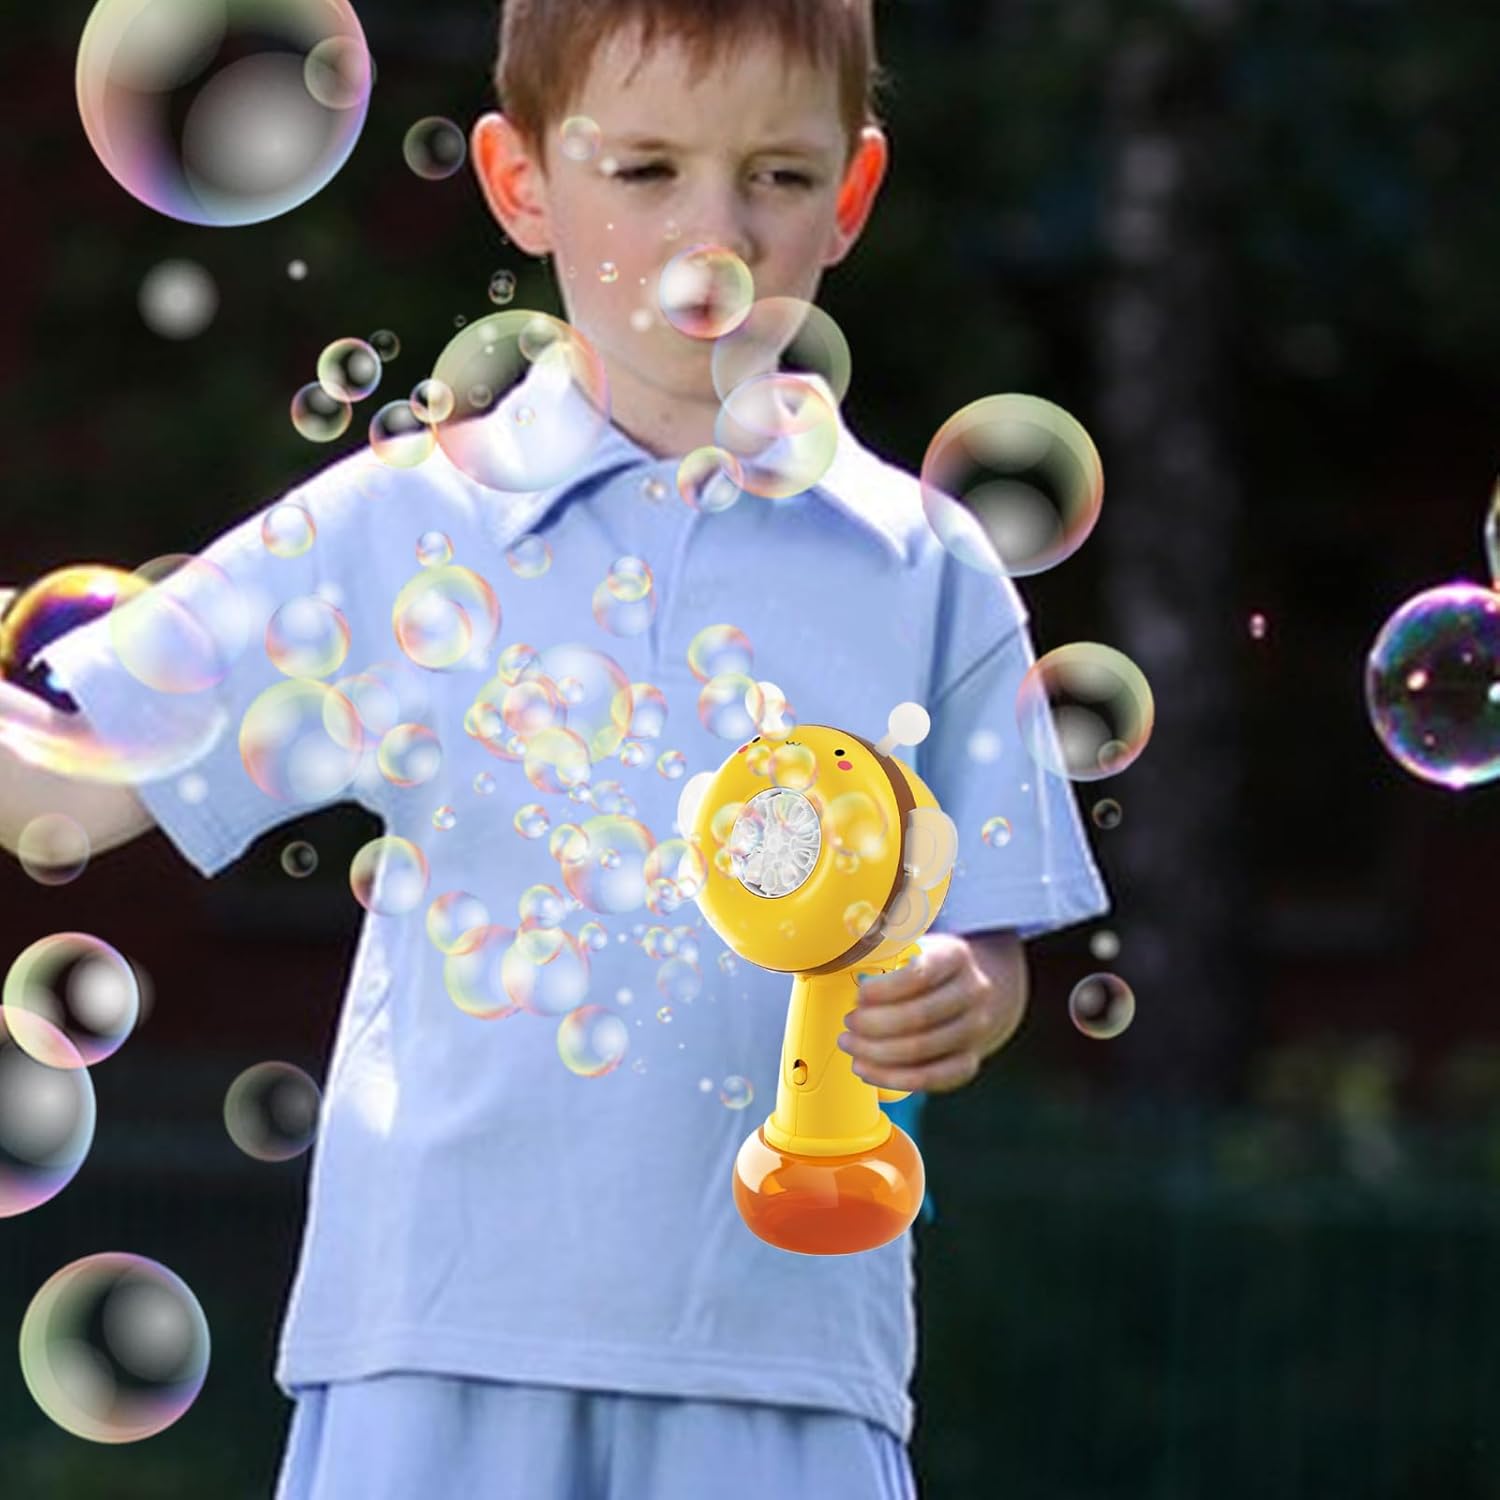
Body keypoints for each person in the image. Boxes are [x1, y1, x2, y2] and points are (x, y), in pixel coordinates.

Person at [0, 1, 1112, 1494]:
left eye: (778, 177)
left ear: (851, 195)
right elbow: (66, 784)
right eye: (646, 170)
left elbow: (988, 945)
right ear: (522, 183)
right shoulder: (400, 525)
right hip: (436, 1340)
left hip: (784, 1358)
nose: (717, 235)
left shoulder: (925, 566)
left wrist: (961, 996)